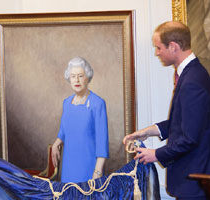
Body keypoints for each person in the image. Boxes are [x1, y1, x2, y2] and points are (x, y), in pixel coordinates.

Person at [123, 21, 210, 199]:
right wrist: (147, 131)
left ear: (173, 46)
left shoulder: (192, 81)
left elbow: (189, 138)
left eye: (158, 47)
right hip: (190, 181)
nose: (157, 53)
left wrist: (156, 154)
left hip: (194, 181)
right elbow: (182, 122)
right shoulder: (191, 74)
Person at [52, 57, 109, 183]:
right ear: (69, 79)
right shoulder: (66, 103)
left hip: (89, 169)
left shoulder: (97, 104)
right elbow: (64, 130)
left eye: (80, 76)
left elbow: (102, 143)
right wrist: (57, 142)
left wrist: (97, 173)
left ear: (87, 77)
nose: (76, 80)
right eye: (73, 76)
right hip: (69, 167)